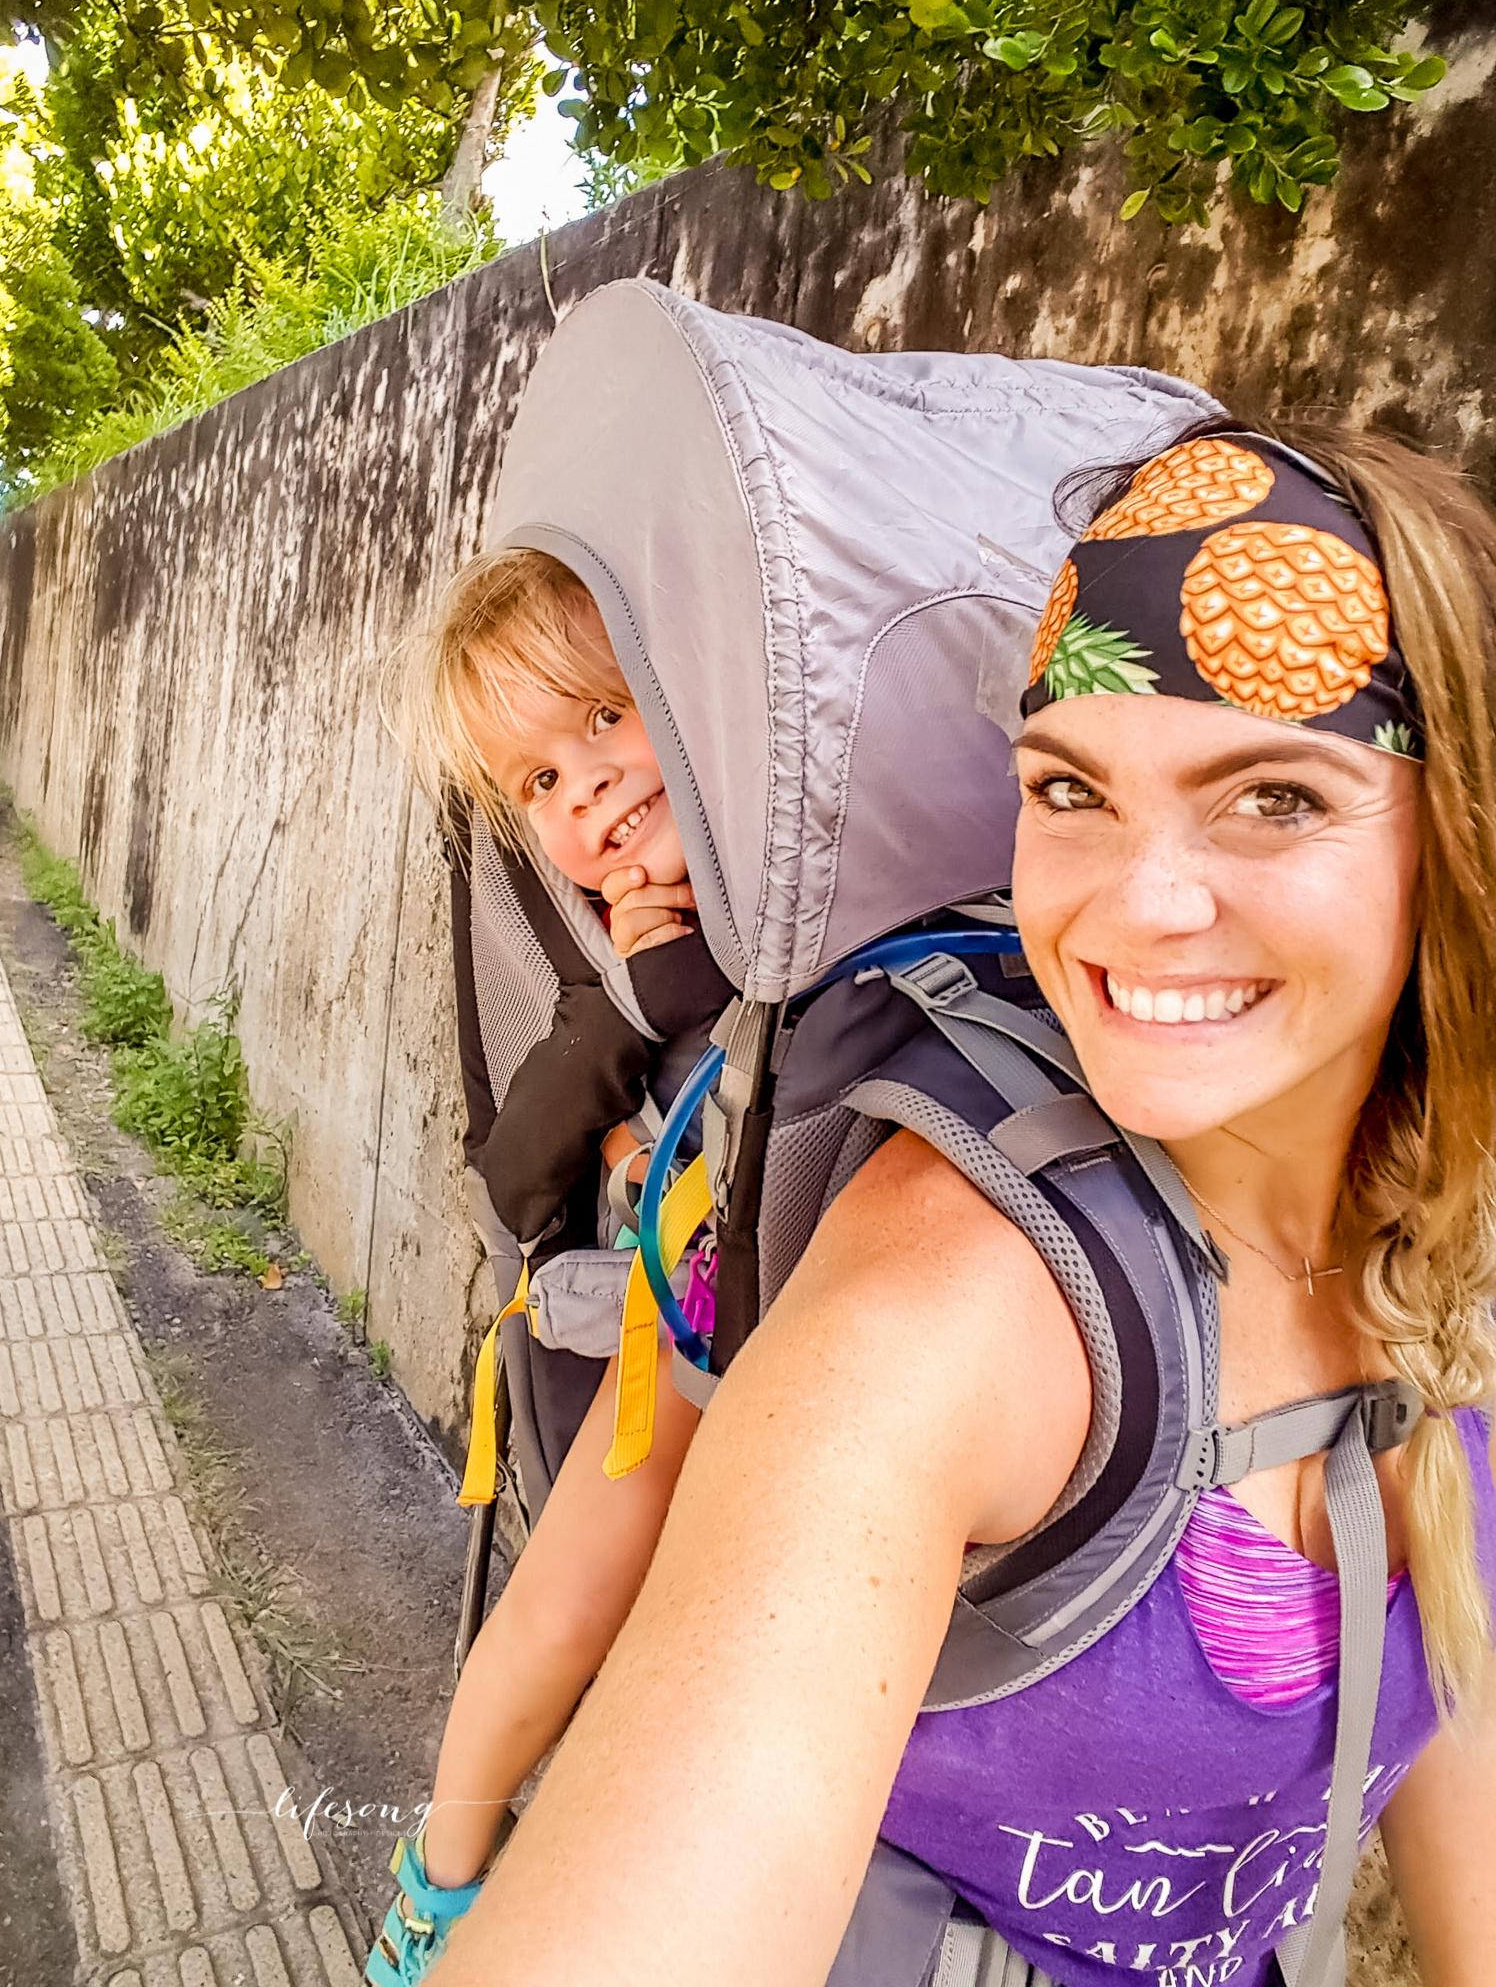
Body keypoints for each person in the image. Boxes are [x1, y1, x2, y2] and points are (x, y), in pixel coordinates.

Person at [428, 425, 1496, 1987]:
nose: (1139, 904)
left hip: (712, 1267)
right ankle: (441, 1869)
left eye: (1274, 795)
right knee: (574, 1585)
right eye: (1068, 788)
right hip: (711, 1301)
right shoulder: (936, 1314)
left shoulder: (1444, 1255)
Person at [368, 548, 733, 1984]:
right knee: (571, 1619)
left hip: (802, 1346)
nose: (584, 788)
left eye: (602, 715)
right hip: (654, 1360)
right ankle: (441, 1886)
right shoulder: (585, 949)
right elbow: (509, 1174)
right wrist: (631, 1004)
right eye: (538, 779)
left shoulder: (820, 879)